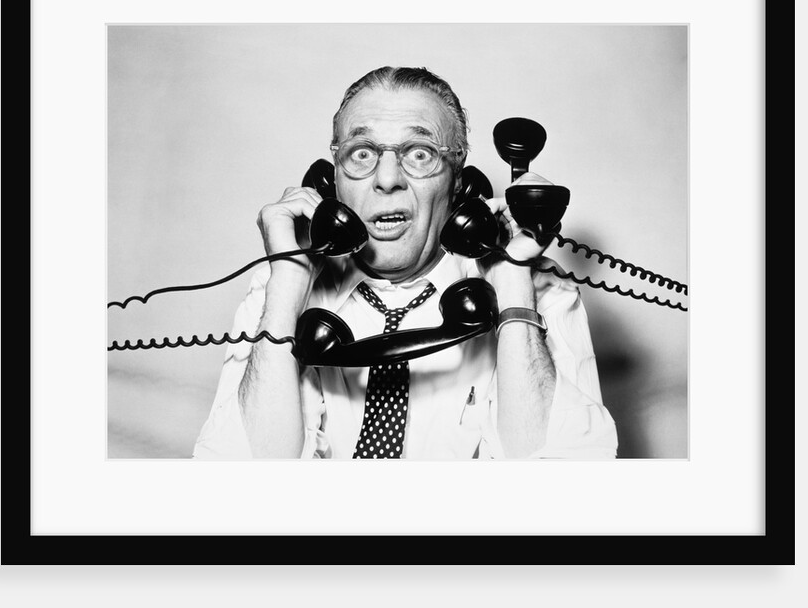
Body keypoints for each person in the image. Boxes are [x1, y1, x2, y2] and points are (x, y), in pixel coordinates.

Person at [193, 66, 618, 460]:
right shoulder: (279, 289)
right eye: (362, 153)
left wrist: (512, 288)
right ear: (331, 182)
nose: (387, 178)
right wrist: (287, 283)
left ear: (458, 184)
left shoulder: (538, 291)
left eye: (419, 153)